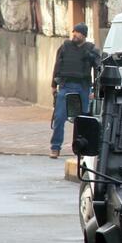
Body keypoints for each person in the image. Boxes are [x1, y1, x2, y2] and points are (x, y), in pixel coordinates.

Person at [49, 22, 100, 159]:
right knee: (59, 118)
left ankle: (82, 150)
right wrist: (53, 85)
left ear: (84, 35)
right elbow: (57, 65)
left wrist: (95, 90)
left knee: (83, 120)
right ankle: (55, 148)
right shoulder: (65, 47)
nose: (75, 34)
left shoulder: (91, 49)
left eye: (78, 32)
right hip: (65, 86)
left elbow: (98, 69)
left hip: (83, 88)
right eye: (74, 32)